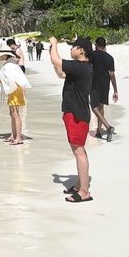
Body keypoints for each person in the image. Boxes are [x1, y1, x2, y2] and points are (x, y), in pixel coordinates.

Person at [49, 36, 93, 203]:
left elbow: (56, 59)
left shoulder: (80, 66)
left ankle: (84, 192)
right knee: (78, 150)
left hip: (77, 114)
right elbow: (61, 73)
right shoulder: (81, 67)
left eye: (73, 47)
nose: (71, 49)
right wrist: (54, 57)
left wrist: (54, 43)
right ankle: (79, 185)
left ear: (81, 50)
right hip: (75, 112)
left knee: (79, 151)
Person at [0, 49, 31, 145]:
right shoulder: (10, 64)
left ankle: (18, 138)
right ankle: (14, 135)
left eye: (1, 56)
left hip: (14, 90)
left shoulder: (8, 65)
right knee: (12, 113)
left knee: (15, 114)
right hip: (16, 89)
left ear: (4, 56)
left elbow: (0, 79)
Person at [90, 37, 118, 141]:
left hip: (94, 83)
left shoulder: (92, 54)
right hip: (106, 84)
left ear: (96, 45)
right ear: (105, 45)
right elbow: (112, 74)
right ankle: (98, 131)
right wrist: (115, 90)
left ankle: (107, 127)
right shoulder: (110, 58)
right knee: (100, 107)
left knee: (93, 106)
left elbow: (90, 69)